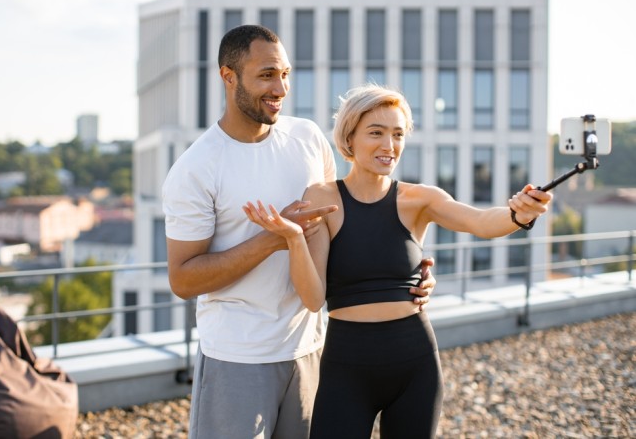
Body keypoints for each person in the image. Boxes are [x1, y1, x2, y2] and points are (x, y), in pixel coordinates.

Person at [162, 25, 436, 439]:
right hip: (238, 358)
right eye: (267, 75)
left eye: (286, 74)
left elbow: (345, 226)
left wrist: (406, 276)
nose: (281, 87)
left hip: (312, 351)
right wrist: (274, 238)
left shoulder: (307, 138)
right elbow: (183, 279)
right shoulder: (196, 168)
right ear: (228, 76)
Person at [243, 84, 553, 438]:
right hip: (346, 366)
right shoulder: (322, 198)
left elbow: (481, 222)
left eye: (398, 134)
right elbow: (313, 299)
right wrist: (294, 238)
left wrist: (520, 213)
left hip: (414, 363)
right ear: (350, 137)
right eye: (376, 133)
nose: (388, 146)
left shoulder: (420, 199)